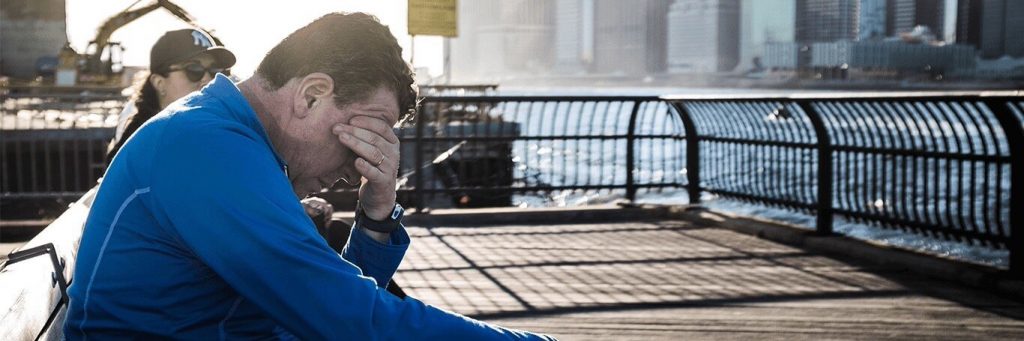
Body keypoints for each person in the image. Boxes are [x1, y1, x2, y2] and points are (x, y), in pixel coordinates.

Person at [65, 12, 555, 340]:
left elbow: (333, 300)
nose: (359, 165)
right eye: (366, 130)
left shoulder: (228, 136)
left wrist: (377, 213)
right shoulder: (208, 149)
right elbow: (344, 319)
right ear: (312, 94)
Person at [106, 28, 236, 164]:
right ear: (159, 83)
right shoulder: (138, 144)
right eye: (194, 69)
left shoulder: (223, 129)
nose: (208, 80)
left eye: (215, 71)